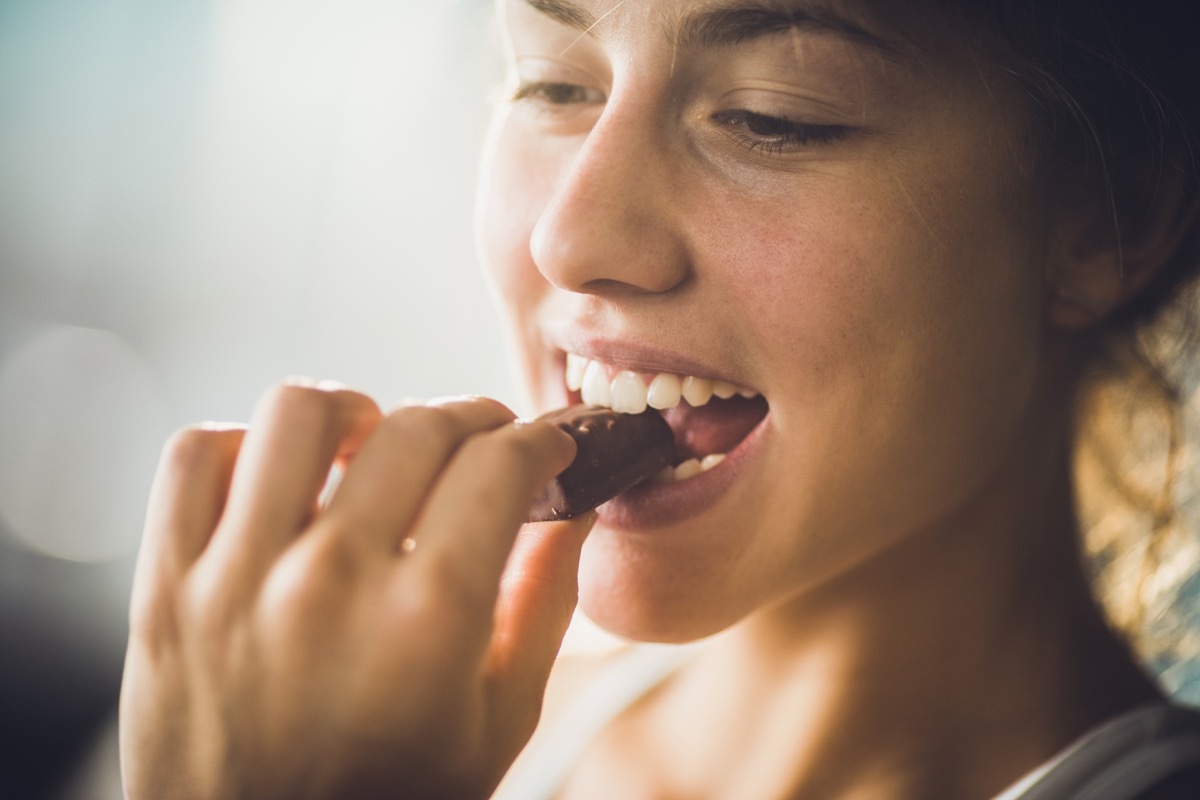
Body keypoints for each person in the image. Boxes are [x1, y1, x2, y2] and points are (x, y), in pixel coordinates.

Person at [118, 0, 1200, 797]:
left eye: (777, 117)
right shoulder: (336, 730)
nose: (570, 237)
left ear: (1109, 212)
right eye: (553, 83)